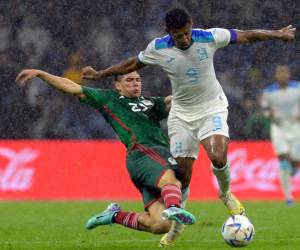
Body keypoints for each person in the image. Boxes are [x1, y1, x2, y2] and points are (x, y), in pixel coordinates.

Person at [81, 8, 296, 246]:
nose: (183, 39)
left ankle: (225, 194)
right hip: (181, 115)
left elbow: (246, 35)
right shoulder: (159, 47)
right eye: (177, 36)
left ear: (191, 26)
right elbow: (131, 63)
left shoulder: (209, 37)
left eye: (186, 33)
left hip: (211, 108)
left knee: (217, 155)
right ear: (168, 33)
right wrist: (101, 74)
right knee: (181, 179)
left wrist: (277, 33)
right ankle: (174, 231)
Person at [15, 69, 196, 237]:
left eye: (138, 80)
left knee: (160, 225)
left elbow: (174, 100)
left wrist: (198, 89)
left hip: (149, 161)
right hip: (143, 151)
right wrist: (41, 74)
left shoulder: (151, 103)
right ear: (117, 85)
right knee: (172, 180)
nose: (136, 83)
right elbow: (73, 88)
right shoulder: (110, 99)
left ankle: (114, 215)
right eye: (129, 80)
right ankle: (173, 206)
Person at [261, 65, 300, 206]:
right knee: (284, 160)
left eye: (285, 72)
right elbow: (264, 109)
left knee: (296, 161)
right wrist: (268, 114)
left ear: (289, 74)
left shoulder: (297, 88)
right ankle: (288, 197)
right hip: (279, 128)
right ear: (276, 76)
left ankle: (291, 171)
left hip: (296, 127)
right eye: (280, 73)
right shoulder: (269, 92)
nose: (283, 75)